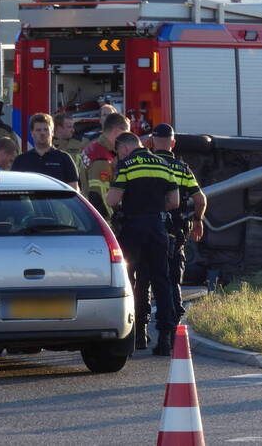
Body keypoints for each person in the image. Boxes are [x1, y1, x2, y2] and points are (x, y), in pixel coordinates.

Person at [105, 132, 179, 356]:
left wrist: (124, 208)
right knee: (161, 280)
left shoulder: (127, 164)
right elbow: (174, 202)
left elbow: (112, 200)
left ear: (124, 148)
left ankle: (134, 335)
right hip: (157, 227)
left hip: (132, 227)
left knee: (130, 280)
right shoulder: (163, 163)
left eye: (118, 151)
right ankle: (165, 337)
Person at [139, 124, 207, 335]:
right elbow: (200, 200)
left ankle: (141, 333)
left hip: (145, 229)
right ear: (173, 143)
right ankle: (172, 333)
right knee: (171, 280)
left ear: (150, 142)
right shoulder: (182, 168)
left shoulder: (142, 165)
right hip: (175, 232)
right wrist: (197, 220)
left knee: (144, 279)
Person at [80, 113, 130, 218]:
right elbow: (100, 196)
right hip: (101, 220)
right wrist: (112, 222)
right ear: (117, 132)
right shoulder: (103, 158)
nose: (127, 140)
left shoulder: (95, 147)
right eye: (126, 134)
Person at [11, 113, 80, 190]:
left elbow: (73, 190)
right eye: (38, 130)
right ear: (32, 133)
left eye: (46, 129)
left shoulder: (64, 159)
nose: (42, 133)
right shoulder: (21, 160)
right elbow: (14, 189)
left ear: (52, 132)